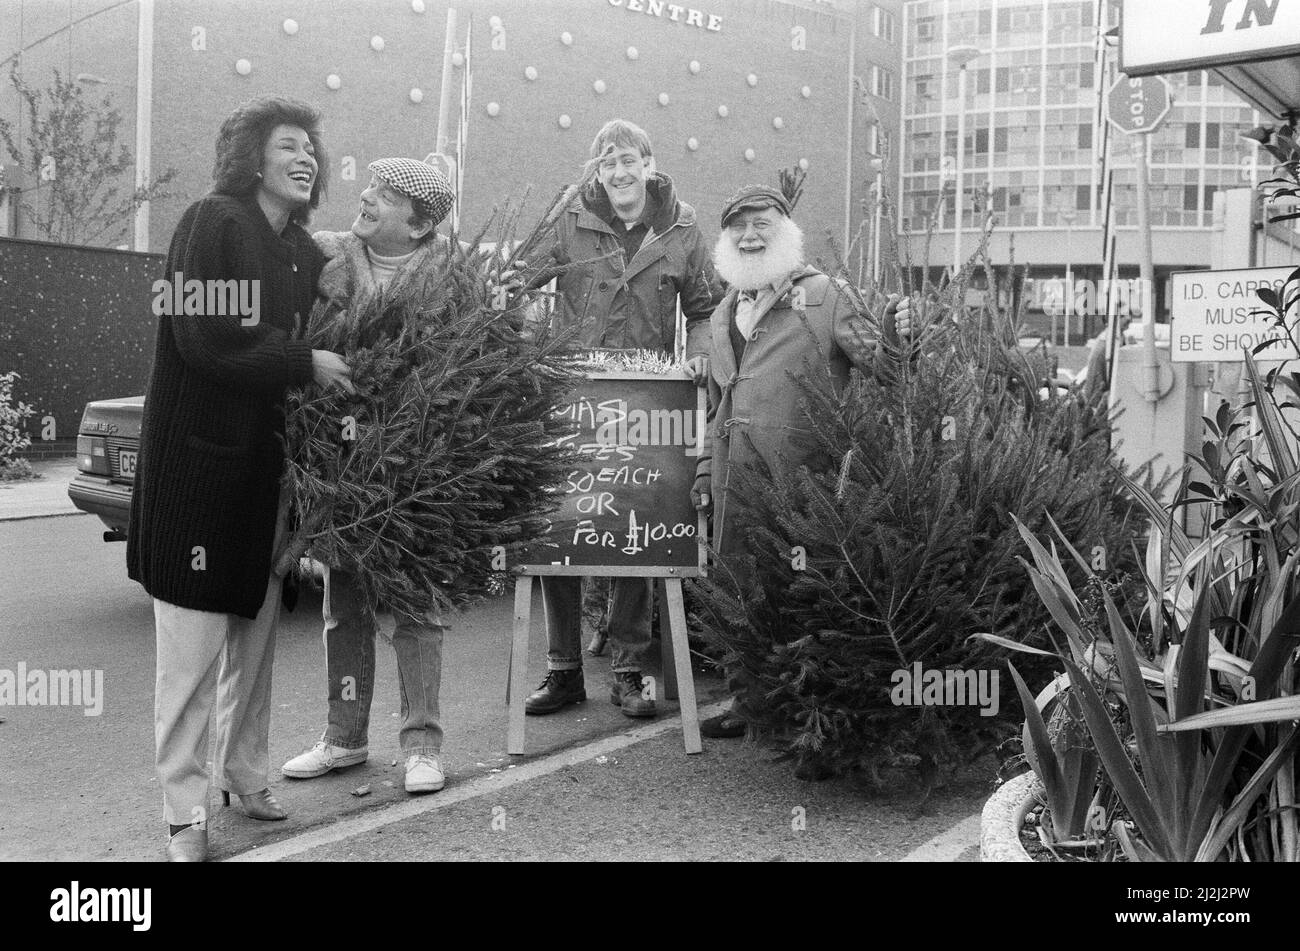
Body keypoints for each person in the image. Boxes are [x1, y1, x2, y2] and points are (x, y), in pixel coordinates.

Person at [127, 97, 353, 861]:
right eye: (289, 146)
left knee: (253, 649)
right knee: (190, 660)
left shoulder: (299, 248)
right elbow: (204, 340)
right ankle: (184, 813)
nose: (306, 159)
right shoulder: (210, 222)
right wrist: (301, 363)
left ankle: (244, 774)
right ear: (252, 155)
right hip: (199, 480)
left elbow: (348, 298)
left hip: (267, 482)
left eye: (312, 150)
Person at [688, 185, 911, 749]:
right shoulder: (721, 311)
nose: (750, 235)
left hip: (805, 481)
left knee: (801, 591)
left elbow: (888, 367)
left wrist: (905, 334)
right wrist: (704, 473)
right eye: (738, 227)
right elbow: (721, 403)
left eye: (761, 223)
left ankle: (810, 712)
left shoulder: (827, 296)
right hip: (736, 479)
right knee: (739, 587)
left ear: (785, 230)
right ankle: (748, 701)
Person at [524, 118, 722, 719]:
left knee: (638, 527)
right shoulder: (568, 220)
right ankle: (562, 671)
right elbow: (522, 282)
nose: (618, 171)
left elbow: (706, 306)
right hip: (574, 399)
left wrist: (698, 359)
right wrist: (528, 347)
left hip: (648, 402)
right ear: (597, 171)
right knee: (564, 526)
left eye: (628, 159)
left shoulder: (683, 227)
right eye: (607, 161)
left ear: (649, 163)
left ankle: (630, 670)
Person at [280, 157, 457, 796]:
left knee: (415, 609)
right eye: (371, 187)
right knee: (344, 603)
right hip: (340, 462)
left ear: (419, 225)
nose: (367, 198)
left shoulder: (452, 278)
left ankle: (423, 746)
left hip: (415, 467)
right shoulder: (327, 255)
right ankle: (345, 738)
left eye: (385, 195)